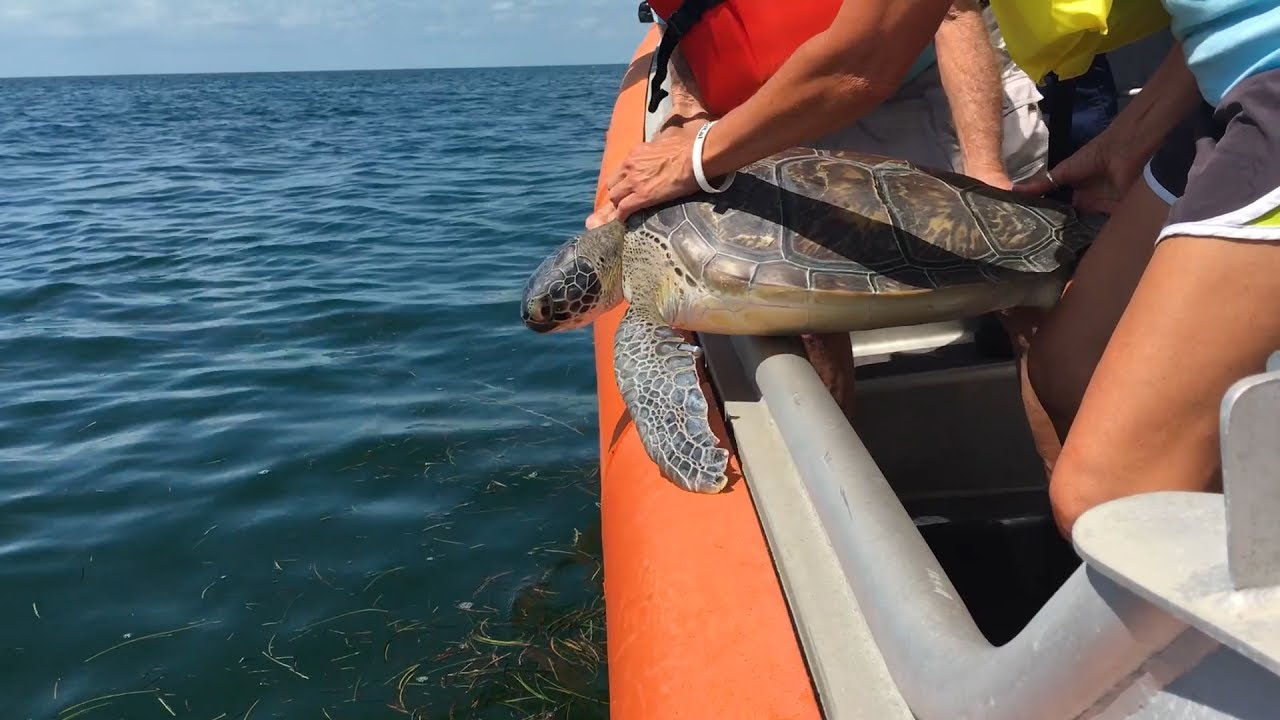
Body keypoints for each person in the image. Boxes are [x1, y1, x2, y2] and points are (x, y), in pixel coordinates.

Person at [593, 0, 1280, 539]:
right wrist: (1132, 136)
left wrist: (697, 156)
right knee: (1068, 365)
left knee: (1100, 491)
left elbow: (868, 53)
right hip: (1229, 89)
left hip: (1261, 93)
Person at [590, 0, 1050, 420]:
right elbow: (682, 25)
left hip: (929, 77)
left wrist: (986, 171)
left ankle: (1067, 491)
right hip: (794, 104)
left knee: (1022, 284)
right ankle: (841, 479)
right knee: (803, 306)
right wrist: (684, 121)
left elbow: (950, 13)